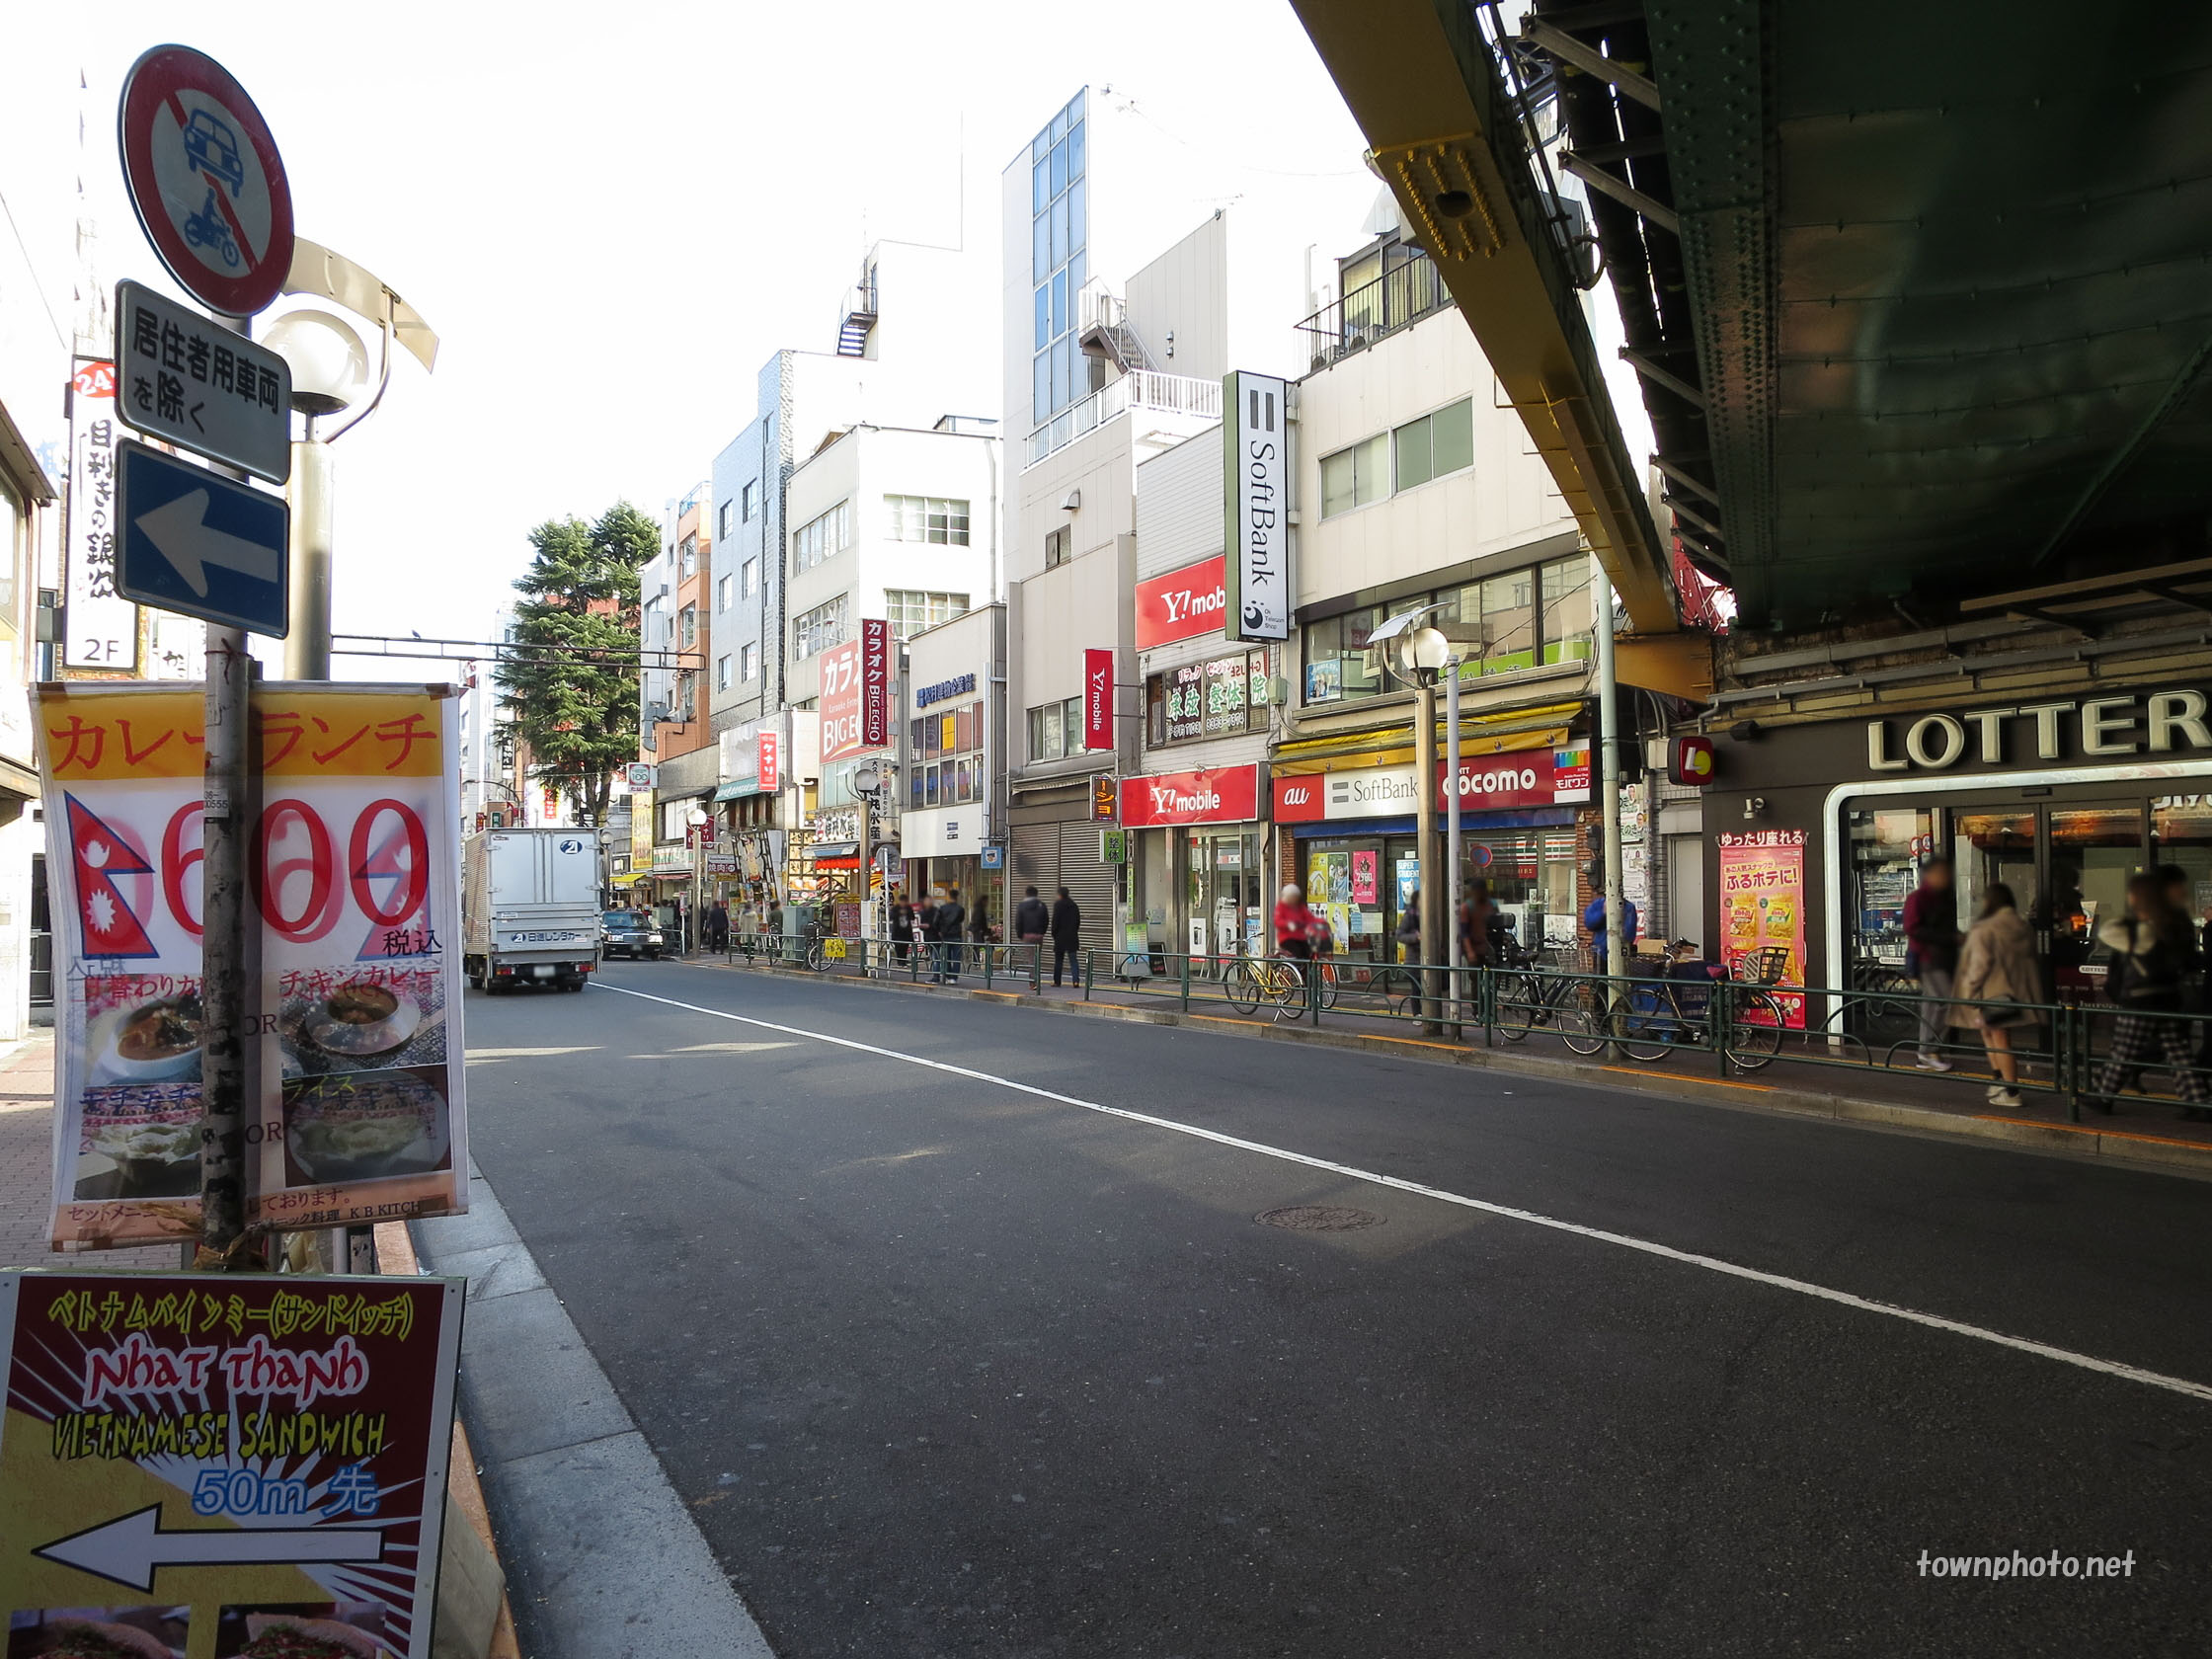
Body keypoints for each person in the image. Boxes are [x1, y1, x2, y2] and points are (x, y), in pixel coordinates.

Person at [2092, 872, 2209, 1119]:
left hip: (2140, 997)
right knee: (2179, 1053)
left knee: (2123, 1050)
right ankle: (2199, 1102)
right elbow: (2191, 960)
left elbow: (2107, 932)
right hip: (2169, 996)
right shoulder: (2176, 925)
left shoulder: (2142, 931)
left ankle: (2102, 1096)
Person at [1949, 883, 2042, 1109]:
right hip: (2016, 990)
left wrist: (1969, 992)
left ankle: (2010, 1090)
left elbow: (1978, 965)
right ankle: (2000, 1081)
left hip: (1991, 990)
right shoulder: (2022, 926)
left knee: (1998, 1039)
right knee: (1993, 1034)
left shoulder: (1986, 928)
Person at [1901, 857, 1961, 1071]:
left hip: (1944, 958)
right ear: (1930, 874)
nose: (1946, 877)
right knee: (1943, 1004)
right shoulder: (1919, 898)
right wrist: (1949, 939)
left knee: (1935, 1005)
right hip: (1929, 958)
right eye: (1941, 873)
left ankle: (1927, 1052)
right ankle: (1928, 1050)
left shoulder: (1942, 898)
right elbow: (1912, 928)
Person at [1581, 886, 1639, 975]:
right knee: (1601, 980)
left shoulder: (1628, 907)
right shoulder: (1598, 904)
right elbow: (1589, 924)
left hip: (1621, 952)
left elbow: (1630, 934)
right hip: (1601, 951)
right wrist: (1602, 913)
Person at [1274, 884, 1321, 961]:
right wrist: (1288, 924)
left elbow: (1309, 916)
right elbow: (1278, 920)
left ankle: (1305, 969)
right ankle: (1297, 968)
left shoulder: (1300, 906)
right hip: (1287, 937)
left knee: (1308, 949)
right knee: (1298, 951)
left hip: (1300, 935)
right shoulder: (1281, 907)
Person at [1050, 885, 1082, 987]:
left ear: (1059, 894)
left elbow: (1055, 922)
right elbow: (1078, 921)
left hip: (1060, 937)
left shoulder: (1058, 905)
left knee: (1059, 960)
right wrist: (1074, 931)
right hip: (1072, 936)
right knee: (1073, 960)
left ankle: (1057, 981)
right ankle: (1076, 981)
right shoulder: (1074, 905)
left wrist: (1054, 934)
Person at [933, 889, 966, 984]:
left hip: (945, 935)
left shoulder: (942, 908)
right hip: (957, 935)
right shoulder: (960, 909)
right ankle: (954, 978)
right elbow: (961, 920)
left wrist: (939, 931)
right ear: (957, 897)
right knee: (956, 957)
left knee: (946, 957)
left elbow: (935, 922)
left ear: (948, 896)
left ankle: (948, 975)